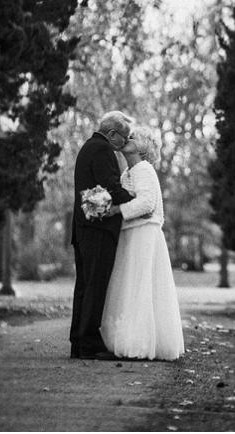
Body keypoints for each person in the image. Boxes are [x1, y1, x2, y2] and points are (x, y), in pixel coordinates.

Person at [100, 125, 185, 361]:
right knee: (129, 286)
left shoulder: (144, 169)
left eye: (134, 137)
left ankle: (141, 342)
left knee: (141, 286)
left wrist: (117, 209)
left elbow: (147, 203)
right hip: (131, 232)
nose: (128, 138)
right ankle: (126, 337)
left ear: (144, 146)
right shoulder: (128, 173)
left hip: (144, 235)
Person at [69, 111, 136, 360]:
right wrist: (137, 201)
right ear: (112, 134)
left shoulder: (88, 147)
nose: (125, 143)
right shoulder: (102, 150)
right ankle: (88, 342)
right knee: (95, 287)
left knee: (85, 287)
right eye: (124, 137)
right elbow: (112, 187)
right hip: (98, 230)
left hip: (84, 228)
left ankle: (78, 342)